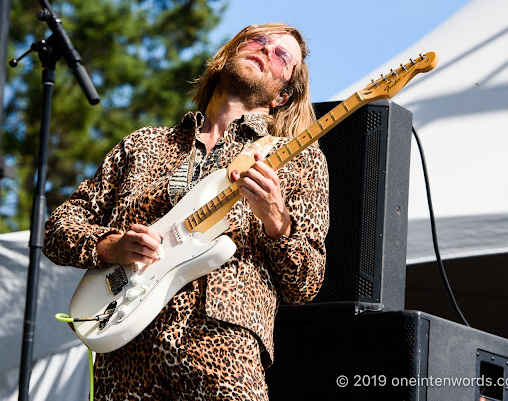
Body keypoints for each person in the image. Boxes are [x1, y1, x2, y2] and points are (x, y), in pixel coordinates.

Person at [43, 22, 329, 400]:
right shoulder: (142, 145)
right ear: (229, 54)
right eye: (257, 41)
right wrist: (109, 245)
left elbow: (305, 284)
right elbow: (57, 229)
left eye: (281, 56)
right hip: (126, 346)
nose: (265, 51)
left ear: (282, 95)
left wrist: (276, 219)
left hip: (225, 344)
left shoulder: (297, 159)